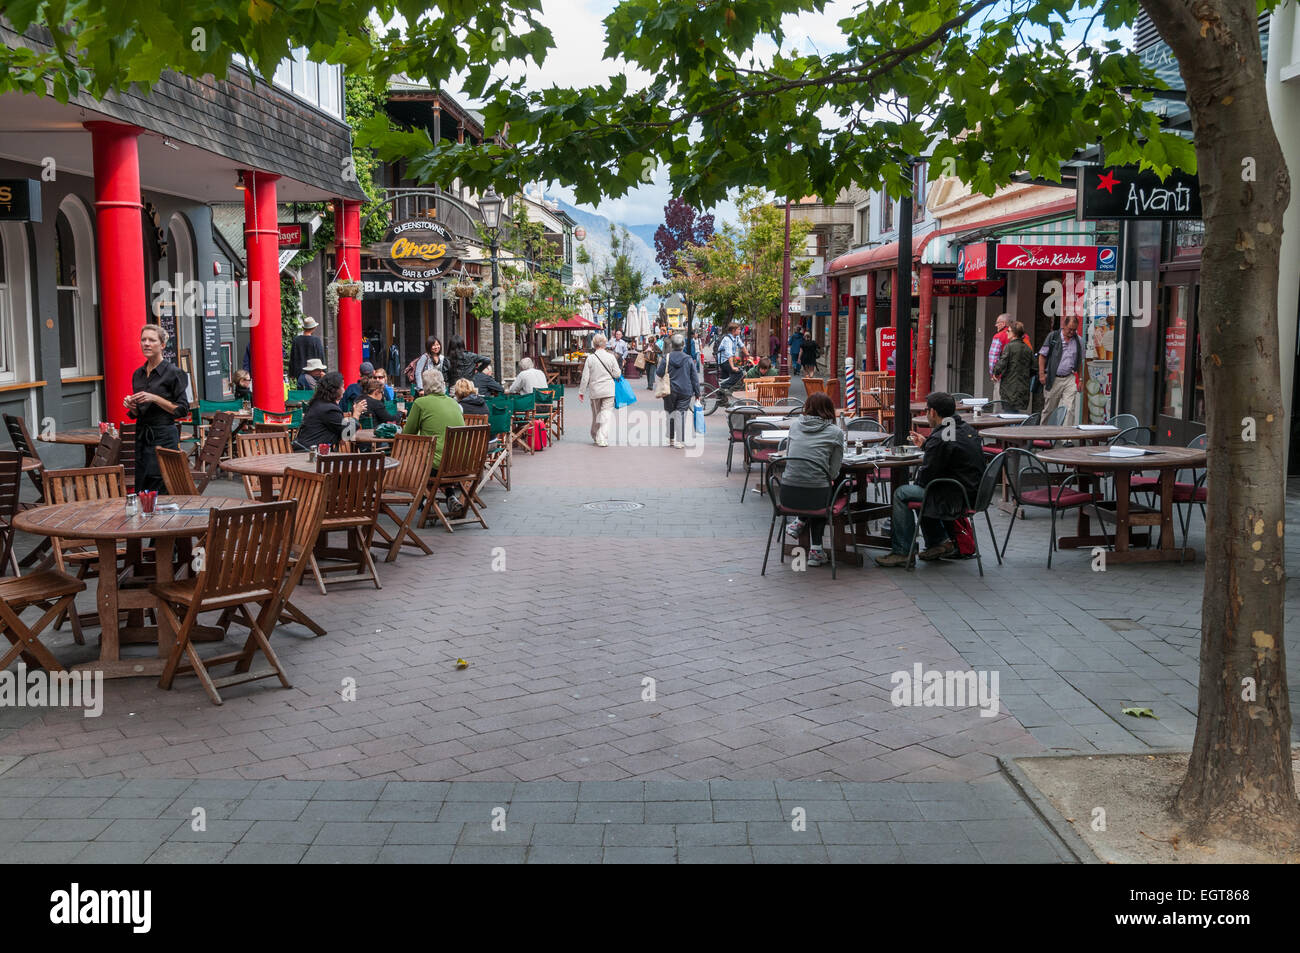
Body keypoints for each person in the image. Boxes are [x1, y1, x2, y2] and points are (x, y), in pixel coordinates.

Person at [876, 392, 986, 567]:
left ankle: (903, 551)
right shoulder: (965, 429)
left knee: (903, 493)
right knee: (923, 491)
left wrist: (931, 446)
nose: (926, 414)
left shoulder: (940, 437)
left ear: (933, 412)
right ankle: (939, 542)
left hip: (954, 498)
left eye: (927, 410)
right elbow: (949, 449)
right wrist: (927, 444)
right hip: (974, 493)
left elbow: (925, 478)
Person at [779, 392, 844, 568]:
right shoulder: (836, 432)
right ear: (830, 410)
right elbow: (833, 471)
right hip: (816, 497)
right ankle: (816, 551)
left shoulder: (794, 426)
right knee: (829, 488)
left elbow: (790, 455)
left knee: (815, 486)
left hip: (787, 494)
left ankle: (800, 521)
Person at [124, 324, 189, 493]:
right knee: (142, 485)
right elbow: (138, 412)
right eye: (143, 340)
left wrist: (154, 398)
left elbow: (182, 410)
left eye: (151, 340)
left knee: (160, 486)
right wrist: (132, 407)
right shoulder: (137, 374)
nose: (146, 343)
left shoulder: (174, 373)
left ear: (162, 345)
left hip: (164, 437)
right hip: (142, 437)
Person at [403, 368, 468, 515]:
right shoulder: (453, 403)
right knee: (435, 458)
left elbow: (408, 434)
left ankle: (425, 502)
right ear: (443, 384)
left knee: (413, 463)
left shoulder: (421, 403)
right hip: (461, 464)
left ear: (424, 386)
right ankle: (451, 496)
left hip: (438, 465)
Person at [656, 333, 701, 449]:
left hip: (669, 390)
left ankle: (670, 439)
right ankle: (679, 441)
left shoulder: (667, 357)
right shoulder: (688, 359)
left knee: (670, 413)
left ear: (672, 345)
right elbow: (694, 377)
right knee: (681, 414)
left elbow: (659, 373)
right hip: (685, 390)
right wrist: (697, 393)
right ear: (683, 345)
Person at [1038, 315, 1084, 422]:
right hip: (1054, 377)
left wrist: (1080, 379)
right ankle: (1043, 434)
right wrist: (1041, 374)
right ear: (1064, 326)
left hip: (1069, 377)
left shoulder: (1078, 340)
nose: (1072, 332)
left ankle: (1066, 437)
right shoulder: (1053, 336)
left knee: (1070, 408)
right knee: (1049, 408)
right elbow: (1042, 355)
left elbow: (1080, 361)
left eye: (1074, 330)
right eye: (1070, 329)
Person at [579, 333, 622, 447]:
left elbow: (585, 377)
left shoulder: (590, 358)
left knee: (596, 414)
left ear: (594, 344)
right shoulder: (611, 357)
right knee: (606, 415)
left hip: (595, 391)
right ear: (604, 344)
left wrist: (581, 392)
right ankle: (602, 438)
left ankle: (595, 435)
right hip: (608, 390)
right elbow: (617, 374)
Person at [293, 370, 345, 452]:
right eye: (342, 387)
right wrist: (356, 414)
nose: (344, 390)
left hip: (305, 450)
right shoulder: (329, 409)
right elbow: (348, 433)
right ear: (334, 390)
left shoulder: (318, 403)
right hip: (310, 454)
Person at [991, 322, 1034, 413]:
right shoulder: (1027, 348)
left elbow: (1002, 362)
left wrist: (995, 373)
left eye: (1008, 331)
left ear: (1014, 333)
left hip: (1009, 386)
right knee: (1016, 413)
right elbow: (1034, 368)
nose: (1006, 332)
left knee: (1009, 413)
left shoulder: (1009, 347)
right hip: (1023, 387)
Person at [288, 315, 325, 381]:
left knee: (301, 390)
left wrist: (291, 374)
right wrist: (323, 371)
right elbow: (321, 356)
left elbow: (292, 358)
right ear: (314, 328)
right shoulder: (316, 341)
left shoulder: (296, 340)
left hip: (299, 373)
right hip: (314, 372)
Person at [987, 313, 1011, 401]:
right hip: (1018, 378)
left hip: (1002, 375)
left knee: (999, 404)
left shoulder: (999, 336)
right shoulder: (1023, 336)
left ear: (1003, 323)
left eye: (997, 323)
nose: (996, 325)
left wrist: (994, 373)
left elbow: (993, 356)